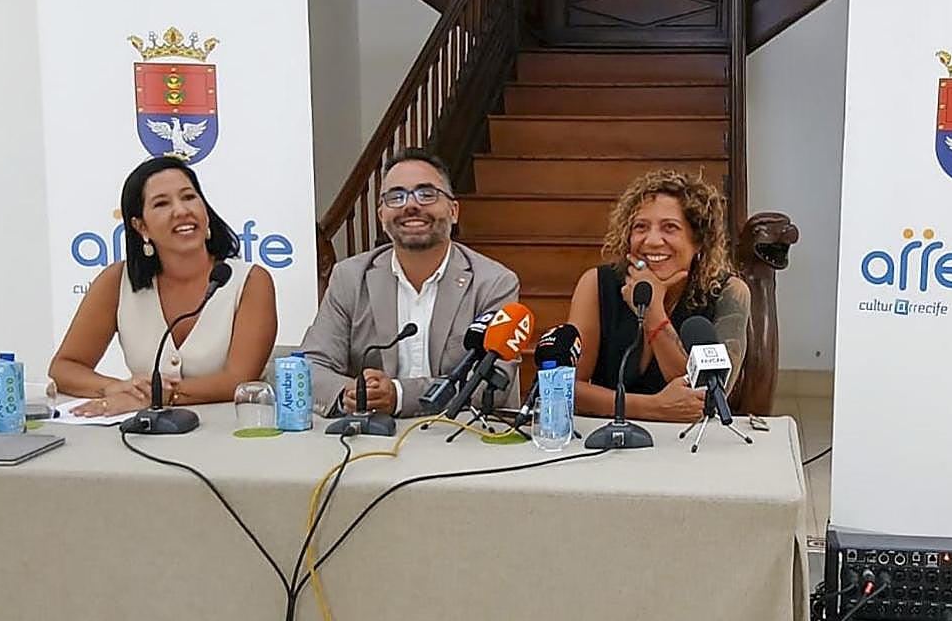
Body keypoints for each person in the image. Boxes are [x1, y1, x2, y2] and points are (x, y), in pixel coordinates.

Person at [301, 148, 520, 418]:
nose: (411, 205)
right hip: (371, 439)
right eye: (396, 196)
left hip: (459, 437)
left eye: (427, 194)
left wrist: (399, 395)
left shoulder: (494, 283)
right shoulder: (349, 277)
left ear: (453, 211)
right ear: (381, 215)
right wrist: (353, 392)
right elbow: (311, 365)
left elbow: (493, 380)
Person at [49, 157, 277, 416]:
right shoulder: (116, 281)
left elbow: (239, 380)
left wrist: (160, 397)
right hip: (144, 436)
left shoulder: (250, 281)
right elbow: (65, 367)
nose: (181, 211)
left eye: (189, 197)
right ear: (141, 226)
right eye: (162, 203)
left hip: (229, 435)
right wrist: (118, 388)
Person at [567, 169, 750, 422]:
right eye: (640, 227)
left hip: (689, 447)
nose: (652, 241)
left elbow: (708, 400)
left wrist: (654, 314)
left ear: (698, 241)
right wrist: (652, 407)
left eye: (670, 228)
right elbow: (565, 388)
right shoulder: (596, 284)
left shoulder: (729, 293)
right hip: (608, 441)